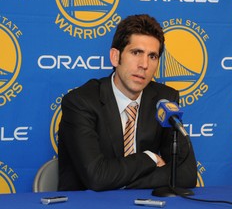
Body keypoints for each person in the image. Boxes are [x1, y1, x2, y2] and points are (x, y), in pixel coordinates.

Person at [58, 14, 197, 191]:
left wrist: (124, 183)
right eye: (136, 52)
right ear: (115, 57)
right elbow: (97, 177)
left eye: (152, 56)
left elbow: (186, 173)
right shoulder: (81, 102)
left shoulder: (164, 99)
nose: (144, 64)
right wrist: (150, 159)